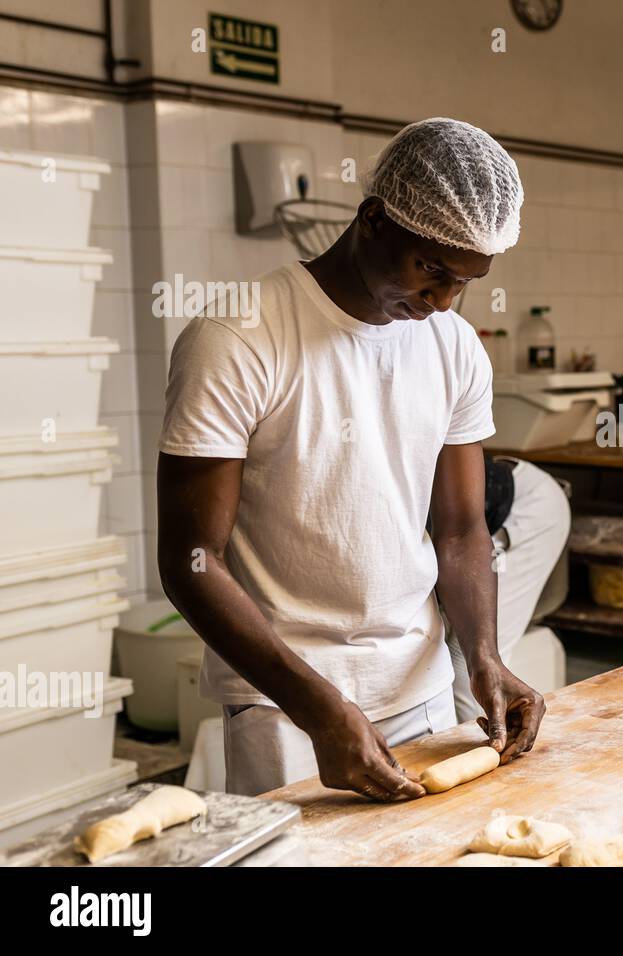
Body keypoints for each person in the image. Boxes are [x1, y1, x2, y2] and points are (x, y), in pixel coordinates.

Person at [157, 118, 544, 798]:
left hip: (418, 687)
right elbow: (192, 561)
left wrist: (483, 656)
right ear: (373, 219)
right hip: (287, 709)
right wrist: (319, 710)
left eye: (464, 282)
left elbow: (459, 528)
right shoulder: (238, 336)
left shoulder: (453, 347)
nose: (443, 301)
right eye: (431, 269)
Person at [447, 452, 569, 724]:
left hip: (527, 509)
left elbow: (457, 547)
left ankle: (490, 753)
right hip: (488, 516)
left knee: (465, 661)